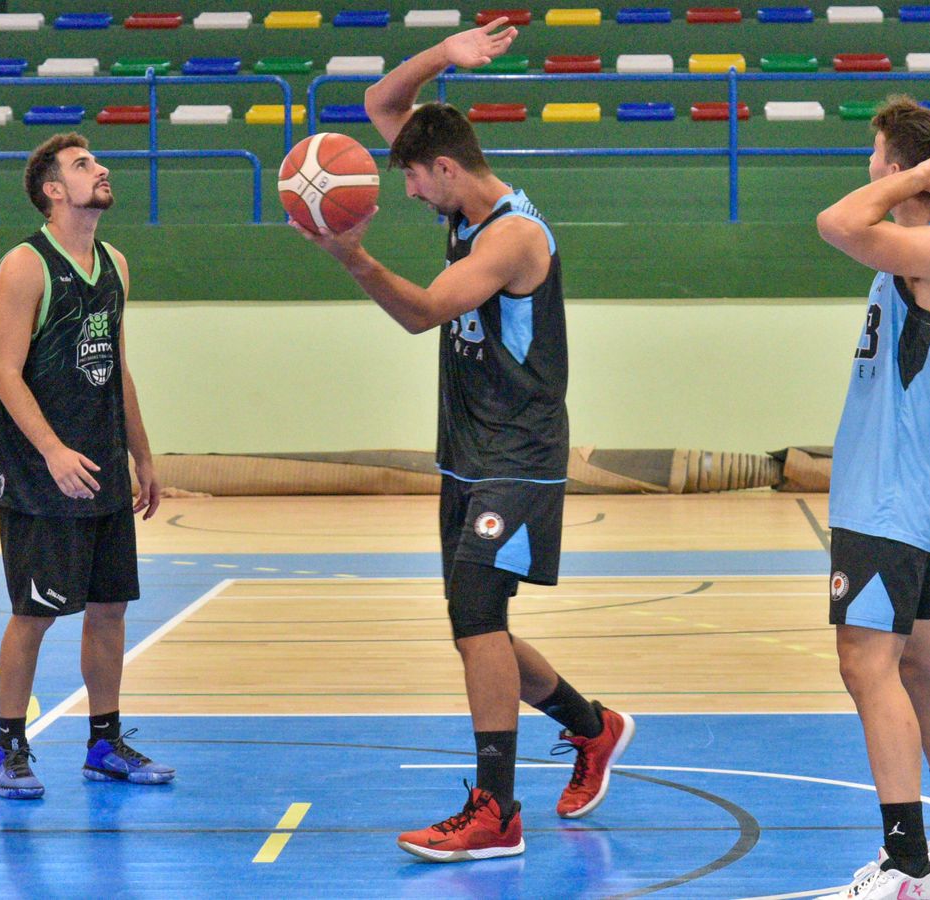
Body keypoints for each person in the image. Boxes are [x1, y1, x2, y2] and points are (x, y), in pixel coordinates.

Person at [293, 19, 633, 862]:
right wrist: (445, 55)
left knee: (479, 616)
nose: (404, 192)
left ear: (446, 169)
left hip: (518, 453)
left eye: (411, 178)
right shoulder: (453, 187)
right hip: (469, 450)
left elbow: (421, 313)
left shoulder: (511, 235)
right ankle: (593, 728)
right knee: (470, 625)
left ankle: (495, 810)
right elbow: (383, 101)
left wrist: (352, 258)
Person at [813, 97, 930, 899]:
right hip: (890, 493)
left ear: (900, 167)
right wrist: (912, 179)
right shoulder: (917, 253)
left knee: (866, 664)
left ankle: (906, 865)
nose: (867, 167)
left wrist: (915, 176)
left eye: (875, 154)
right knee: (917, 658)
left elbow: (836, 222)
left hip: (890, 497)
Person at [0, 133, 171, 799]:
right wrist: (53, 451)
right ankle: (9, 749)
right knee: (33, 614)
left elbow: (117, 367)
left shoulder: (115, 261)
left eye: (97, 160)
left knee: (110, 607)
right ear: (53, 191)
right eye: (84, 165)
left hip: (101, 464)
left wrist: (143, 455)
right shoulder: (25, 266)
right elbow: (6, 373)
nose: (102, 169)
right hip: (39, 473)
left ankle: (104, 742)